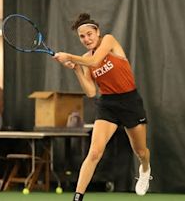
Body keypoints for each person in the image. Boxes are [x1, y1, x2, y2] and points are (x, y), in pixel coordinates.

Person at [53, 13, 152, 200]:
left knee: (140, 151)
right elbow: (91, 91)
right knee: (94, 152)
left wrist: (70, 57)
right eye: (82, 36)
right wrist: (76, 69)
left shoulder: (109, 40)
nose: (86, 39)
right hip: (108, 104)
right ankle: (77, 197)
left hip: (130, 101)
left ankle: (145, 170)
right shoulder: (84, 58)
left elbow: (94, 61)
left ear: (97, 32)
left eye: (89, 34)